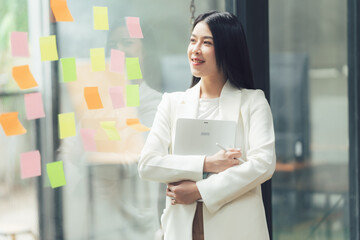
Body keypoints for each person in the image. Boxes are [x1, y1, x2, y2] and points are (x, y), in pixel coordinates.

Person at [138, 10, 276, 240]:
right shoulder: (172, 103)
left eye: (207, 42)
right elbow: (148, 164)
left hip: (236, 229)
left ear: (227, 49)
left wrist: (199, 190)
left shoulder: (253, 102)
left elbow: (263, 164)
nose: (195, 49)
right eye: (193, 40)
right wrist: (208, 163)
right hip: (182, 227)